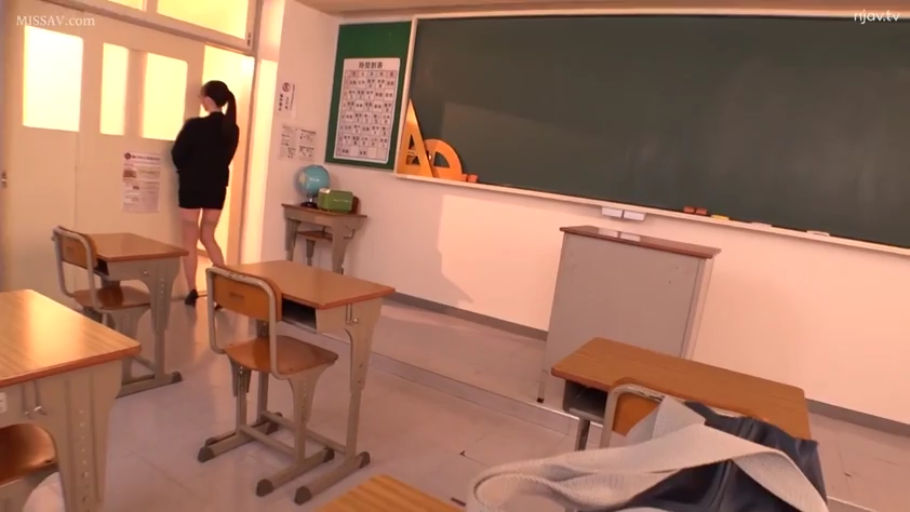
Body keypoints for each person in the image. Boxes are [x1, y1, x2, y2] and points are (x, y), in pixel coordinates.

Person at [171, 80, 240, 306]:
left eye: (201, 96)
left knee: (189, 240)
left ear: (208, 99)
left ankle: (192, 290)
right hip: (216, 187)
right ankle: (224, 290)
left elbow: (177, 154)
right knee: (208, 236)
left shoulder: (194, 126)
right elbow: (226, 158)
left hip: (192, 186)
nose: (200, 100)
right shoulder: (232, 128)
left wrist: (187, 169)